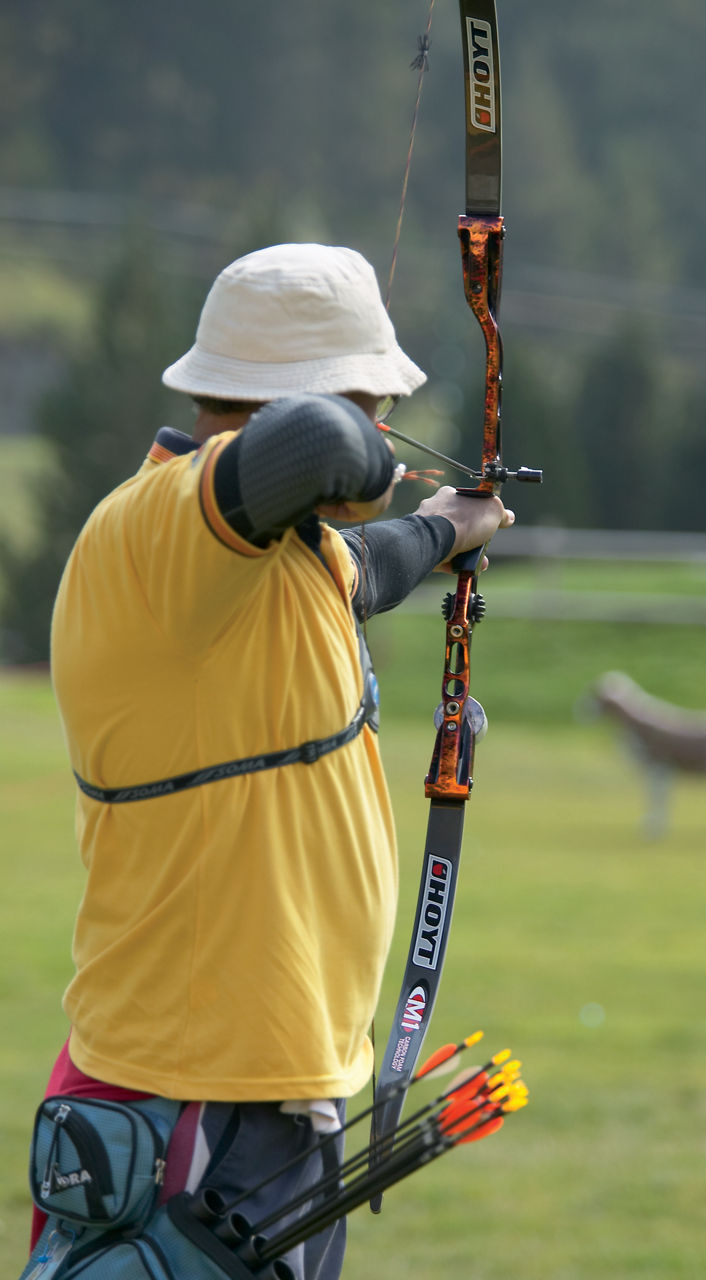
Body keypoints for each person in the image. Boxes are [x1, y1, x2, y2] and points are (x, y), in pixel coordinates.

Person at [33, 243, 513, 1278]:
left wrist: (442, 526)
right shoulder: (163, 521)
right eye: (379, 402)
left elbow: (364, 568)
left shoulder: (270, 555)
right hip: (194, 1085)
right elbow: (317, 439)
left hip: (257, 1077)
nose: (383, 425)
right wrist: (374, 458)